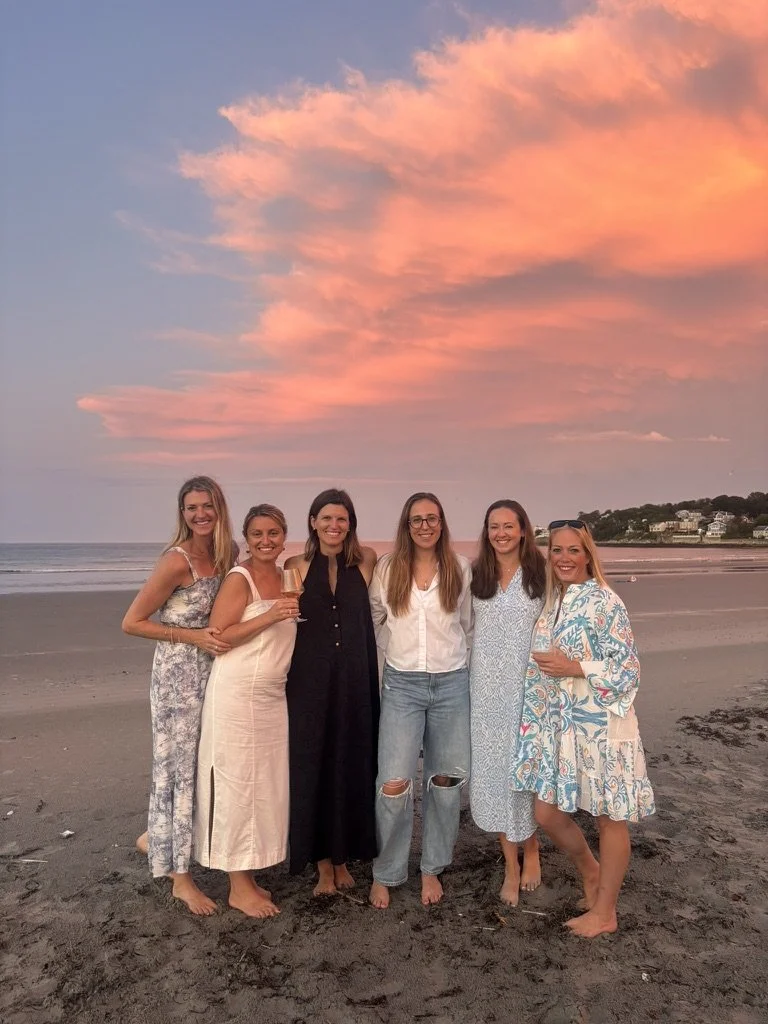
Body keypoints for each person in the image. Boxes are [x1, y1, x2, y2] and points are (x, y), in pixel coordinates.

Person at [514, 520, 656, 937]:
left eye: (573, 550)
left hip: (604, 726)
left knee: (610, 819)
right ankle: (590, 872)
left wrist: (576, 667)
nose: (563, 558)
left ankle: (605, 913)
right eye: (556, 550)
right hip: (564, 727)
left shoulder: (605, 600)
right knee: (547, 812)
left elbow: (628, 668)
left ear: (588, 554)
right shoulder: (554, 599)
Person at [122, 476, 236, 915]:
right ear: (182, 513)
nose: (200, 514)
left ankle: (157, 836)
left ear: (219, 508)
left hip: (211, 671)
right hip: (176, 677)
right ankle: (180, 879)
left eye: (206, 506)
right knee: (176, 768)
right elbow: (132, 622)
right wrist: (189, 636)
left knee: (203, 759)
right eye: (191, 508)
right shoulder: (177, 560)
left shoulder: (227, 554)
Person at [193, 504, 299, 918]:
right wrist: (270, 614)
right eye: (257, 534)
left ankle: (249, 872)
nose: (265, 541)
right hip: (237, 694)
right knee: (238, 784)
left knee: (263, 785)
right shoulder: (241, 578)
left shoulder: (288, 575)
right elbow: (219, 636)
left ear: (284, 534)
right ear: (246, 538)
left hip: (273, 696)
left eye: (273, 533)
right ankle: (238, 886)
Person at [368, 492, 473, 909]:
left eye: (431, 518)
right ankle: (386, 871)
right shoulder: (388, 568)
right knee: (393, 783)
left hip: (452, 685)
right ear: (406, 525)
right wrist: (394, 655)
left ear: (442, 523)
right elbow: (376, 616)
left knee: (445, 782)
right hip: (402, 686)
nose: (425, 526)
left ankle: (432, 868)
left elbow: (467, 625)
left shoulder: (460, 568)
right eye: (416, 520)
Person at [284, 489, 379, 895]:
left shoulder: (368, 560)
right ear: (312, 522)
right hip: (310, 682)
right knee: (315, 765)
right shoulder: (295, 565)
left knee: (353, 764)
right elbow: (279, 617)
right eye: (326, 518)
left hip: (357, 679)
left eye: (341, 519)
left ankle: (344, 859)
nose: (334, 526)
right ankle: (323, 865)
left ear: (350, 524)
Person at [469, 500, 546, 906]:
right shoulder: (475, 573)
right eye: (494, 526)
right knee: (496, 773)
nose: (501, 533)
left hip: (527, 690)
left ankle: (531, 850)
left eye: (508, 526)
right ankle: (510, 864)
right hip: (484, 691)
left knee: (523, 771)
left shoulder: (541, 574)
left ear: (522, 530)